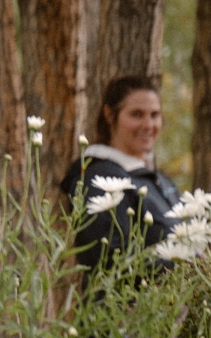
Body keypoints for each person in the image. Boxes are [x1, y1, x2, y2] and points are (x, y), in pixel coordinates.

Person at [60, 75, 181, 276]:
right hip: (128, 306)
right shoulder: (97, 179)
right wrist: (185, 266)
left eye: (154, 115)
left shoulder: (158, 178)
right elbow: (108, 258)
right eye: (137, 114)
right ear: (109, 114)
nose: (148, 125)